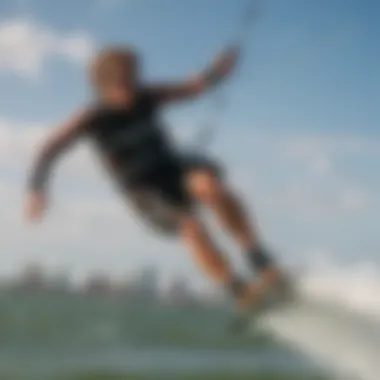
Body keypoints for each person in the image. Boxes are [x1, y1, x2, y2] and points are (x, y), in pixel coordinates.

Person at [24, 45, 282, 311]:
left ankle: (259, 259)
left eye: (132, 81)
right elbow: (49, 149)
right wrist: (36, 189)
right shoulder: (91, 118)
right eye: (123, 85)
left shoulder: (145, 96)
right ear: (104, 87)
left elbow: (193, 88)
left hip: (172, 168)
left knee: (210, 187)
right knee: (190, 227)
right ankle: (238, 290)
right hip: (144, 190)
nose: (130, 91)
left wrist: (216, 72)